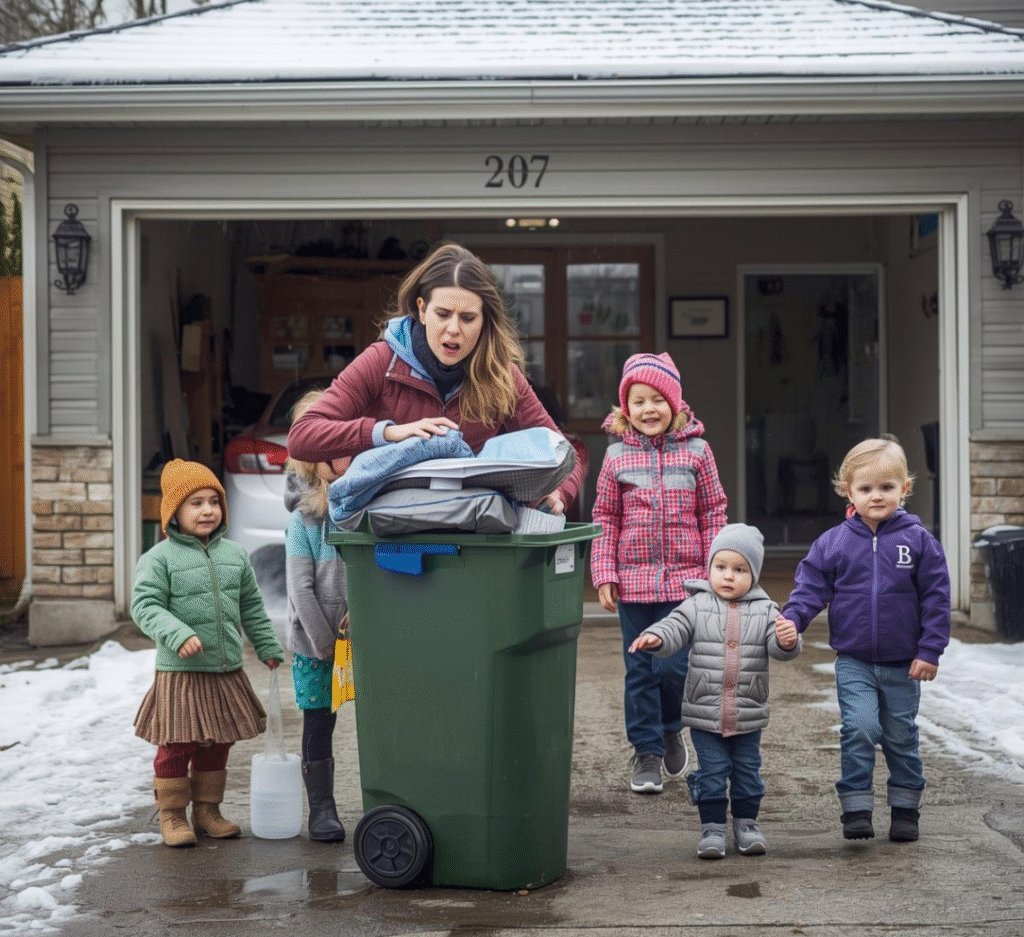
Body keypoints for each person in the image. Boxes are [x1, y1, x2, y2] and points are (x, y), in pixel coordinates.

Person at [286, 241, 587, 515]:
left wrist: (560, 492)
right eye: (443, 314)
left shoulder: (501, 375)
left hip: (473, 541)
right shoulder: (381, 361)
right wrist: (390, 433)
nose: (454, 329)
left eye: (468, 318)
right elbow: (302, 438)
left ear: (484, 321)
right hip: (390, 542)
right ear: (421, 309)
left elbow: (564, 453)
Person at [777, 436, 951, 844]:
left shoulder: (919, 542)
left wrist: (929, 651)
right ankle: (856, 807)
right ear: (849, 491)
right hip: (854, 660)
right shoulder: (835, 543)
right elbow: (810, 587)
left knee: (900, 736)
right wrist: (792, 620)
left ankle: (906, 808)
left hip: (904, 663)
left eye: (887, 487)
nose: (877, 496)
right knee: (859, 728)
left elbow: (937, 599)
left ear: (904, 489)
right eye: (866, 488)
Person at [591, 352, 728, 794]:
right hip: (632, 586)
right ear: (625, 410)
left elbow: (713, 512)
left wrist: (715, 570)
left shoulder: (698, 453)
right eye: (638, 401)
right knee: (640, 670)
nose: (648, 409)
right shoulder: (615, 458)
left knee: (673, 668)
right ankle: (647, 751)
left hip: (685, 583)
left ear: (675, 404)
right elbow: (605, 517)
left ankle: (671, 726)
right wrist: (603, 572)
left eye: (657, 399)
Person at [132, 459, 284, 848]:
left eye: (213, 501)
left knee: (219, 742)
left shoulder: (234, 555)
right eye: (195, 503)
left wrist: (266, 644)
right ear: (174, 512)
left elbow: (251, 605)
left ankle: (207, 811)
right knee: (177, 744)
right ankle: (171, 815)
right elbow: (145, 607)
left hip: (224, 668)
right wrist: (177, 633)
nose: (206, 510)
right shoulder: (159, 558)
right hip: (181, 671)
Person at [630, 524, 800, 859]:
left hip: (747, 713)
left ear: (754, 574)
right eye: (720, 567)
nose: (728, 576)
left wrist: (787, 640)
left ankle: (747, 824)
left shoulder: (766, 610)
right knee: (712, 772)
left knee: (748, 772)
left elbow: (779, 649)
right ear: (709, 569)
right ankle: (712, 828)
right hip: (704, 713)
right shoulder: (697, 604)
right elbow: (674, 627)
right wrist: (657, 638)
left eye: (739, 569)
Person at [283, 388, 351, 843]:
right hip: (315, 645)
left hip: (362, 638)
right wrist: (326, 642)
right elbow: (299, 589)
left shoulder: (364, 507)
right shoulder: (303, 523)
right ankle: (321, 809)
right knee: (318, 723)